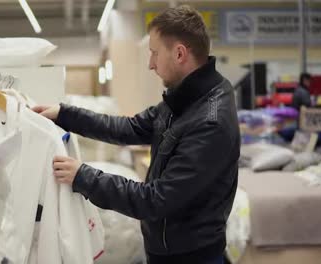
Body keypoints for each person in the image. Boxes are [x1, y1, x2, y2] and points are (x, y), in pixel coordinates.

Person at [33, 5, 240, 264]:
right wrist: (64, 114)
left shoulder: (210, 122)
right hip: (166, 249)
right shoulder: (183, 100)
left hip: (190, 257)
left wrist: (83, 176)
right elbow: (130, 128)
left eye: (154, 53)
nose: (150, 64)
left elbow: (155, 199)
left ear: (179, 54)